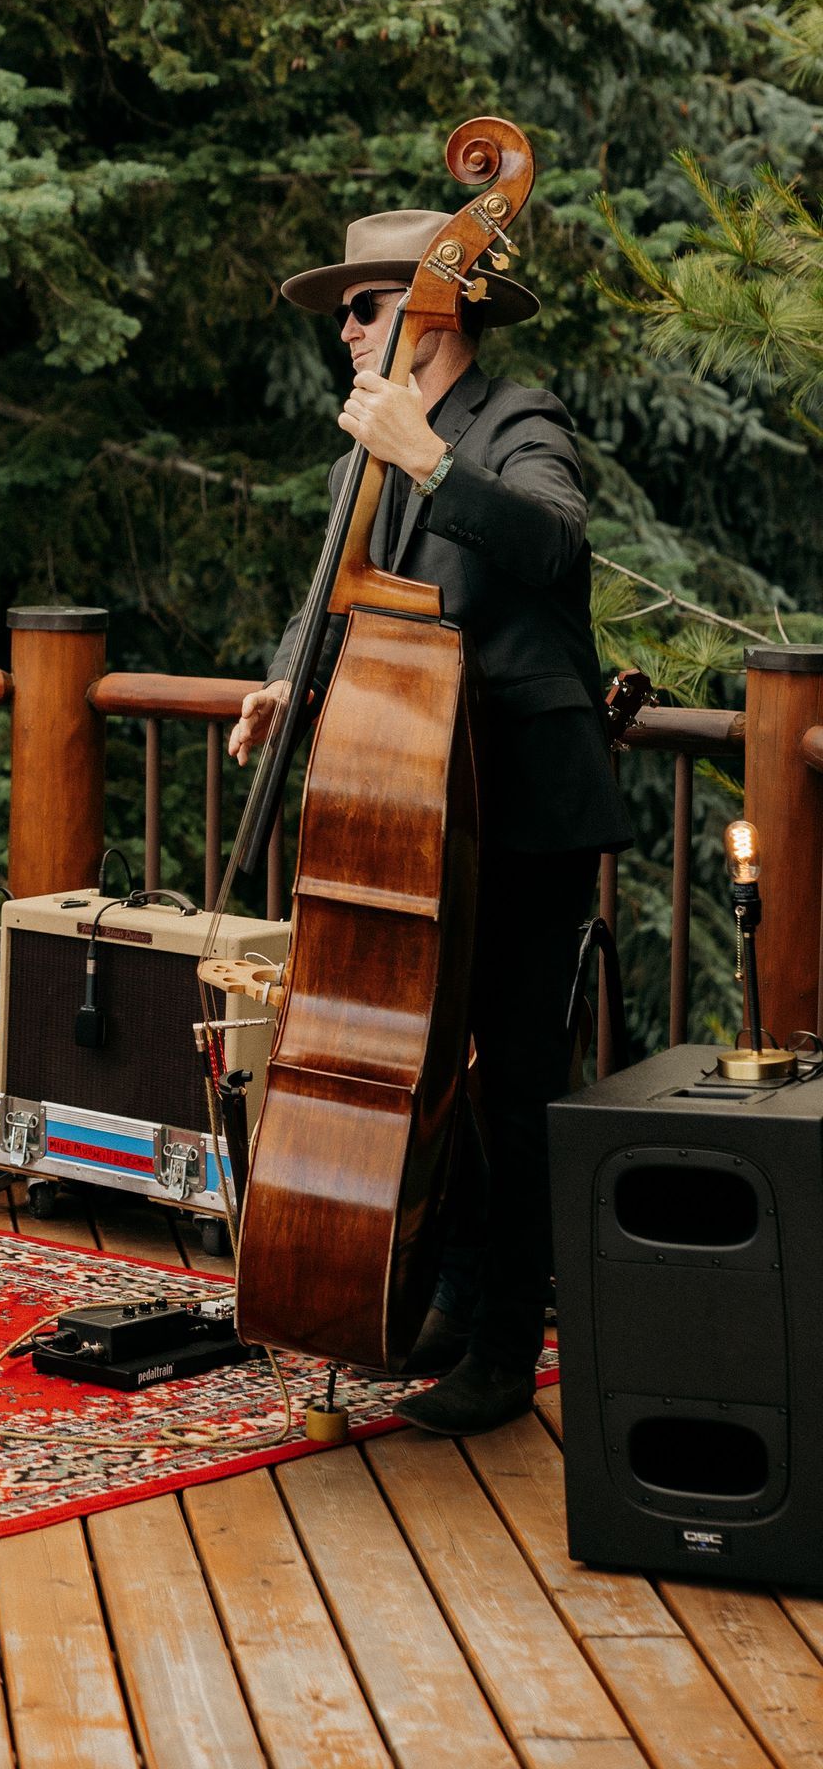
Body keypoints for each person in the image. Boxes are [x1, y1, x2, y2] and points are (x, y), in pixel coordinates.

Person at [227, 207, 629, 1438]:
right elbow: (338, 595)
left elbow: (556, 542)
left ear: (432, 307)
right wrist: (283, 682)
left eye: (362, 306)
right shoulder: (371, 443)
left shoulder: (516, 419)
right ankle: (452, 1299)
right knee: (431, 1062)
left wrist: (432, 462)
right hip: (421, 799)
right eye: (340, 314)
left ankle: (510, 1344)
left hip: (520, 797)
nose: (342, 332)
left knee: (509, 1074)